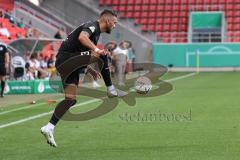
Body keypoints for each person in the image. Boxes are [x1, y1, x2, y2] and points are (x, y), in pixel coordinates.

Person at [40, 9, 126, 147]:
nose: (115, 26)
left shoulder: (97, 33)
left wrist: (89, 68)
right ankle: (111, 89)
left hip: (68, 63)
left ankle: (49, 127)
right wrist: (97, 51)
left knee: (70, 100)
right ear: (107, 20)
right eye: (114, 23)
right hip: (66, 59)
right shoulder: (93, 26)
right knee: (103, 53)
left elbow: (80, 50)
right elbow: (81, 37)